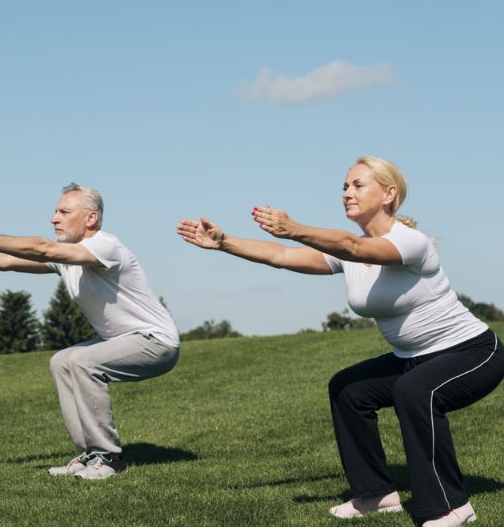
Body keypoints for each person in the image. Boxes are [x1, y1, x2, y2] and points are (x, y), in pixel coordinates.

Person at [176, 156, 503, 527]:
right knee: (349, 389)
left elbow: (353, 247)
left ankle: (451, 506)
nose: (347, 193)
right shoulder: (349, 252)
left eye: (358, 185)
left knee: (415, 391)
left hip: (473, 352)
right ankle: (376, 494)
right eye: (345, 187)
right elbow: (282, 255)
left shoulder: (410, 242)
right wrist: (224, 242)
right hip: (412, 358)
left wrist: (294, 227)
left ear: (389, 194)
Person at [0, 183, 180, 480]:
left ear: (91, 218)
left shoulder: (106, 246)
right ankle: (90, 453)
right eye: (55, 212)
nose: (54, 218)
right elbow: (6, 261)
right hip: (121, 341)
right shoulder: (66, 259)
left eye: (64, 212)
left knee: (83, 361)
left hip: (156, 342)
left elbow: (43, 248)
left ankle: (110, 458)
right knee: (62, 361)